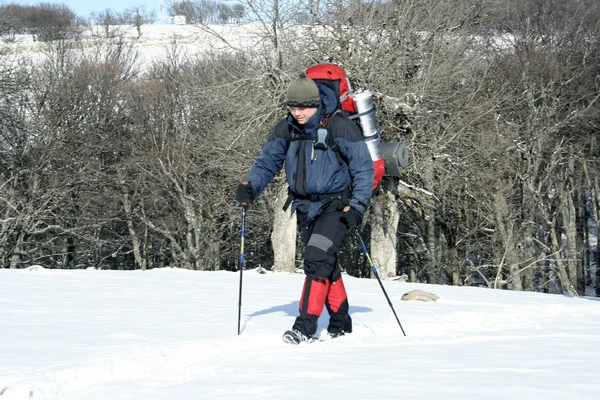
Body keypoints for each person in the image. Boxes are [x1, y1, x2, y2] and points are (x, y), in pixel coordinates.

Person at [235, 72, 374, 344]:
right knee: (326, 264)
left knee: (316, 258)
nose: (298, 113)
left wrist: (357, 206)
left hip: (337, 205)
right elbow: (267, 163)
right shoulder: (286, 128)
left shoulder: (338, 125)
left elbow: (363, 168)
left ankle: (305, 326)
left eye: (304, 107)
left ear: (316, 104)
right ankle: (341, 321)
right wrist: (251, 187)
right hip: (304, 207)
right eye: (293, 107)